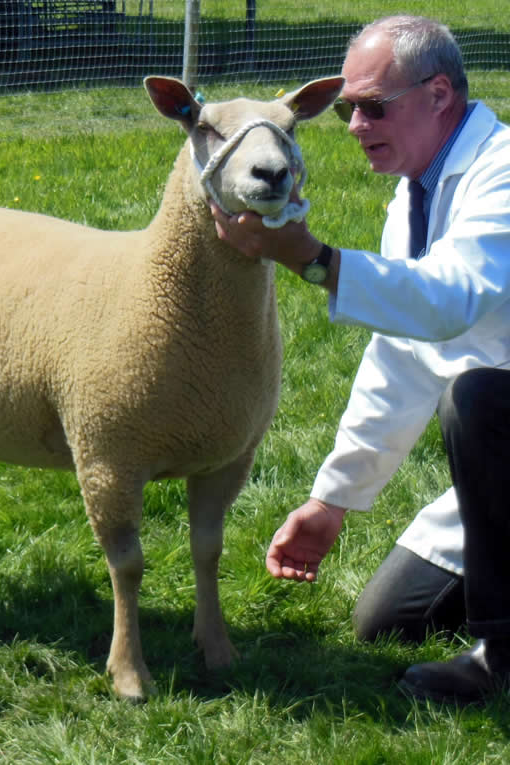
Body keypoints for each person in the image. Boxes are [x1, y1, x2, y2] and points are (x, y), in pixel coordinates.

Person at [212, 15, 510, 703]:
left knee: (477, 399)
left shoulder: (501, 172)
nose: (352, 124)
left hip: (503, 431)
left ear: (439, 96)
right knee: (386, 622)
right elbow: (400, 358)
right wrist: (332, 501)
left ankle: (504, 657)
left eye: (373, 105)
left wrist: (314, 261)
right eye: (347, 108)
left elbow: (450, 301)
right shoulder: (414, 191)